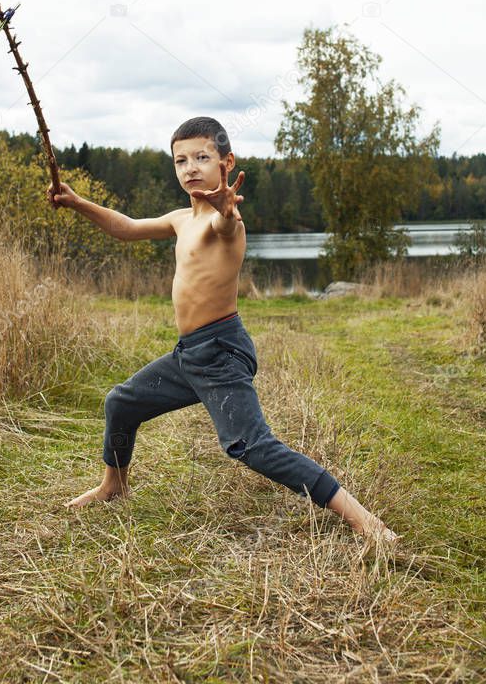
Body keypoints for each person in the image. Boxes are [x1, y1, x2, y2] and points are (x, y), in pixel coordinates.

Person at [47, 116, 398, 542]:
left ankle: (365, 520)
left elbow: (225, 224)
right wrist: (76, 201)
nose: (190, 167)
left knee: (252, 447)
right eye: (181, 161)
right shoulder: (181, 219)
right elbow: (128, 228)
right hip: (189, 354)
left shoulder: (225, 223)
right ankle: (114, 485)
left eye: (202, 157)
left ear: (225, 162)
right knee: (121, 404)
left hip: (221, 351)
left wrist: (227, 209)